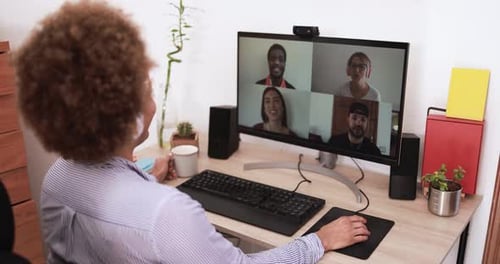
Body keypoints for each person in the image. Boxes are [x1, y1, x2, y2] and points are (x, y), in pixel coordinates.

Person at [14, 2, 369, 263]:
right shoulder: (167, 213)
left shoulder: (56, 178)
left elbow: (108, 200)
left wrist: (142, 175)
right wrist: (319, 241)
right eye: (146, 88)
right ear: (132, 117)